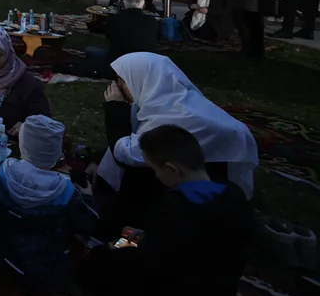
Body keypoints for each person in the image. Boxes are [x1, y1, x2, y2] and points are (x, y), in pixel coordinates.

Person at [78, 124, 255, 296]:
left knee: (96, 261)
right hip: (220, 293)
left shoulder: (176, 205)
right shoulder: (232, 192)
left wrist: (117, 245)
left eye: (153, 169)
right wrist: (147, 235)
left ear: (171, 169)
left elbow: (149, 260)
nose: (155, 176)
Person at [93, 53, 258, 238]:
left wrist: (115, 108)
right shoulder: (169, 101)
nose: (117, 87)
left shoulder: (177, 116)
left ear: (143, 80)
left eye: (122, 81)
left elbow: (127, 155)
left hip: (185, 201)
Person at [0, 116, 98, 296]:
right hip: (46, 260)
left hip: (3, 253)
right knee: (43, 286)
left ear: (22, 145)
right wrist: (88, 195)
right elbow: (89, 222)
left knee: (3, 282)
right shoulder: (67, 190)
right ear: (58, 154)